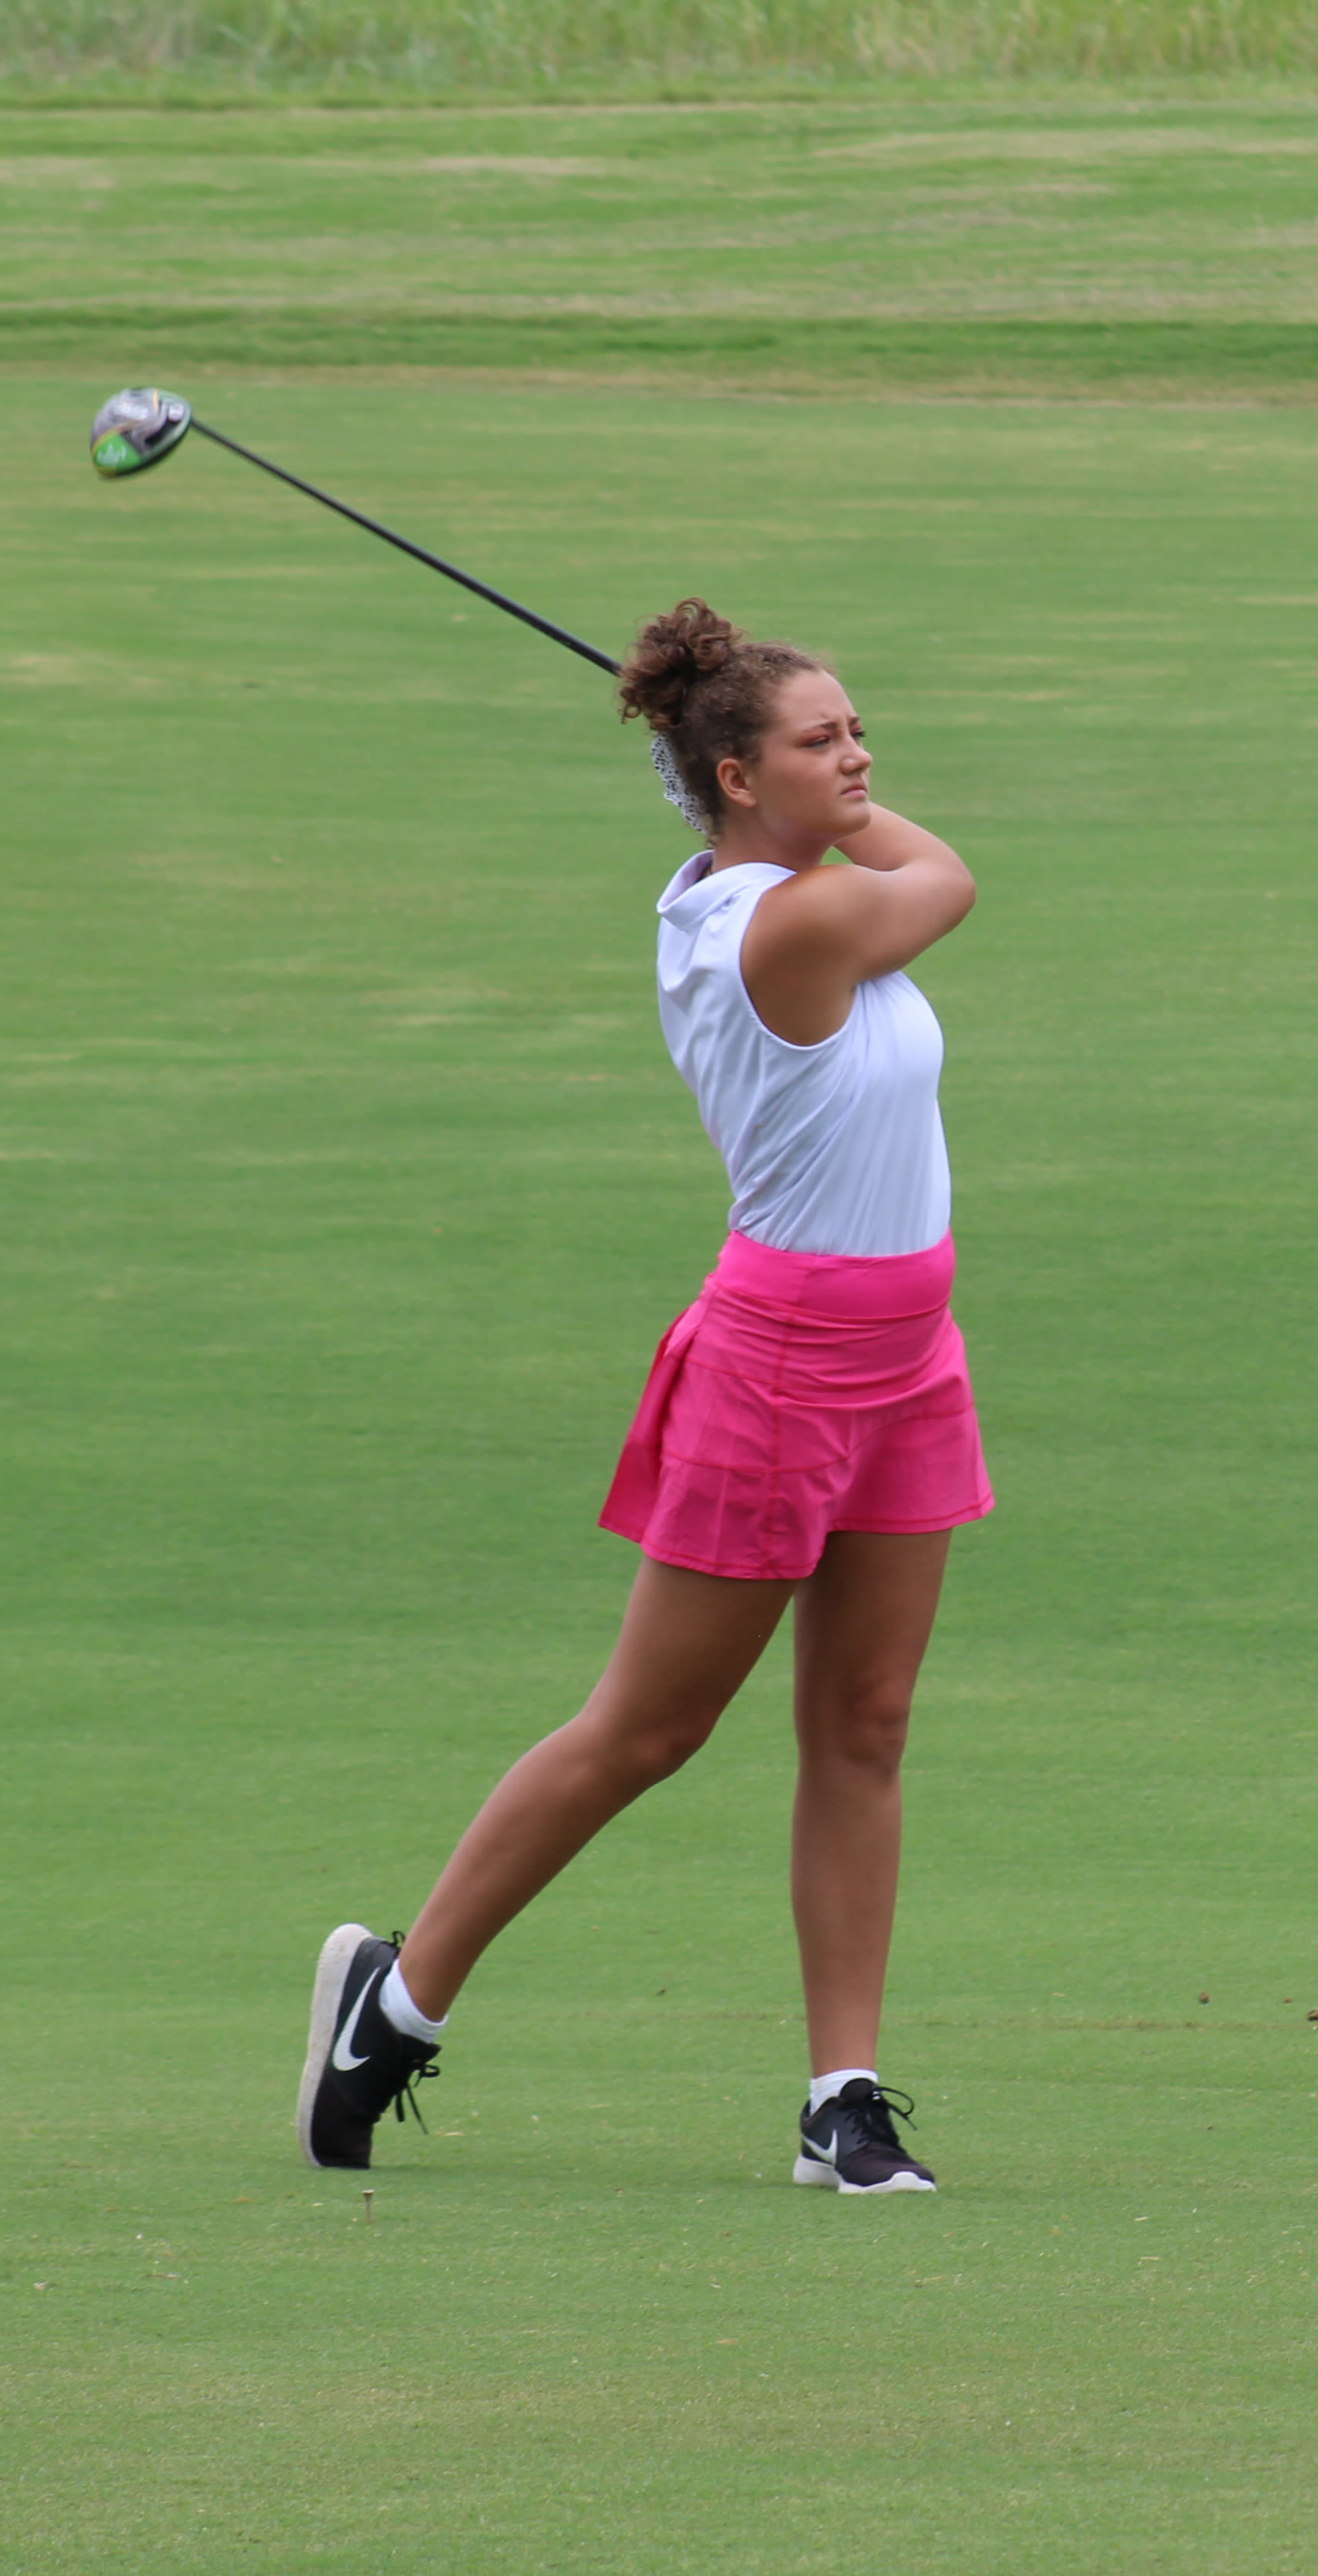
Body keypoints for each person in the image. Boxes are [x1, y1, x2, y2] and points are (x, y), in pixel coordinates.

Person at [293, 599, 990, 2193]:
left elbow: (881, 856)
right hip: (786, 1360)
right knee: (650, 1729)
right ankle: (394, 2007)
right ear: (736, 778)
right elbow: (946, 877)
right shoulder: (789, 925)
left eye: (859, 730)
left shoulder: (762, 883)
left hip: (908, 1352)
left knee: (866, 1725)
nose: (861, 760)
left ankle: (843, 2102)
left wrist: (779, 774)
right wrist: (824, 804)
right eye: (821, 741)